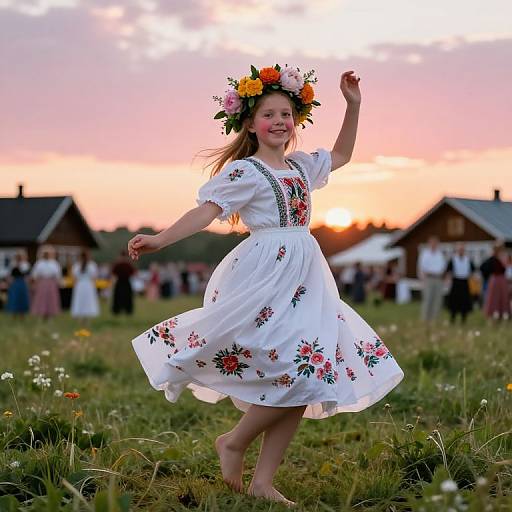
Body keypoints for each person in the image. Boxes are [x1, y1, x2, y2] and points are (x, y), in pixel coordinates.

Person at [128, 65, 404, 506]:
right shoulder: (247, 174)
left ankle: (260, 479)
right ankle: (234, 442)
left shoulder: (301, 167)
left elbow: (343, 154)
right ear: (250, 124)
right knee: (294, 369)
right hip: (266, 277)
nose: (279, 121)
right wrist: (160, 239)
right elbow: (204, 212)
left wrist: (353, 106)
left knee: (310, 372)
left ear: (297, 120)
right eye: (268, 114)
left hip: (307, 278)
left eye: (287, 114)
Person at [417, 236, 446, 325]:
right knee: (428, 299)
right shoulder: (425, 254)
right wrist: (422, 278)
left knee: (437, 299)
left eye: (436, 243)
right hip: (428, 278)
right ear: (429, 244)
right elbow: (421, 266)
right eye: (432, 243)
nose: (434, 244)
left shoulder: (440, 254)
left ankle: (435, 319)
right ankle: (425, 319)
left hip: (438, 278)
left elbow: (443, 266)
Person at [445, 243, 475, 324]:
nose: (461, 251)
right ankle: (452, 319)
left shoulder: (468, 259)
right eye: (459, 249)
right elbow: (448, 271)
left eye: (462, 249)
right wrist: (448, 280)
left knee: (464, 302)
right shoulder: (453, 259)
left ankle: (463, 319)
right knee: (454, 301)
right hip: (456, 282)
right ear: (457, 250)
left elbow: (473, 270)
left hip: (465, 282)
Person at [30, 245, 62, 320]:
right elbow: (35, 275)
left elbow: (58, 275)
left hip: (51, 283)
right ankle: (42, 314)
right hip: (42, 283)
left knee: (51, 298)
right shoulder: (39, 263)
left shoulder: (54, 263)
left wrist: (58, 282)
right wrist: (34, 283)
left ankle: (51, 315)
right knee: (42, 298)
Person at [483, 241, 510, 321]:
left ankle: (503, 313)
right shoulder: (492, 258)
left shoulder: (504, 257)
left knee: (503, 296)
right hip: (495, 279)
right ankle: (492, 313)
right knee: (494, 297)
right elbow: (485, 267)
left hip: (502, 279)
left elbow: (507, 267)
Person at [70, 249, 100, 323]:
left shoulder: (76, 265)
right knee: (88, 301)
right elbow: (94, 277)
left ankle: (80, 319)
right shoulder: (92, 265)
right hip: (88, 285)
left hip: (80, 285)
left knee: (79, 301)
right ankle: (87, 320)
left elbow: (74, 278)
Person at [6, 250, 31, 318]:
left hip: (22, 283)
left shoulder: (25, 264)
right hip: (15, 283)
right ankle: (14, 314)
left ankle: (22, 315)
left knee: (22, 299)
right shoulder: (13, 264)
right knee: (14, 298)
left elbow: (27, 275)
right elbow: (9, 275)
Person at [111, 250, 136, 315]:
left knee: (119, 297)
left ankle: (117, 310)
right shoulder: (128, 264)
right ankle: (127, 311)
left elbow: (113, 274)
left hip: (120, 283)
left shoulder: (118, 264)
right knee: (126, 297)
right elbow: (133, 273)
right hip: (126, 283)